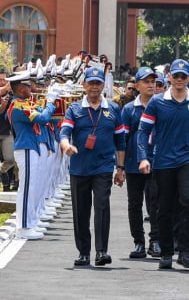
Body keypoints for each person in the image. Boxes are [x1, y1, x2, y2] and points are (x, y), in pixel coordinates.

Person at [137, 59, 189, 270]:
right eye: (175, 76)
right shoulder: (157, 102)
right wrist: (143, 157)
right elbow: (143, 132)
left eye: (183, 76)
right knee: (164, 207)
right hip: (163, 161)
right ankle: (167, 253)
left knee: (188, 201)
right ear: (169, 77)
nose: (179, 80)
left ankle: (185, 251)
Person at [60, 67, 126, 266]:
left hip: (104, 167)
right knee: (81, 210)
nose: (95, 87)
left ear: (103, 85)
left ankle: (101, 251)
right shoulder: (74, 109)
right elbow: (64, 133)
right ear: (84, 85)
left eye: (98, 83)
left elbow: (120, 140)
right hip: (79, 167)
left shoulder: (113, 109)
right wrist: (67, 146)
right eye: (91, 83)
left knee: (102, 206)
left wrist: (120, 168)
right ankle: (83, 252)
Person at [8, 70, 58, 240]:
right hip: (26, 148)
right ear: (21, 88)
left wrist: (49, 102)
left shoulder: (25, 103)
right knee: (28, 189)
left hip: (31, 148)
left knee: (34, 187)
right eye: (28, 85)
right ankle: (23, 227)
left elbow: (42, 111)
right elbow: (43, 118)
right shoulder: (18, 105)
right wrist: (51, 101)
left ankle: (31, 221)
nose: (32, 88)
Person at [121, 66, 160, 259]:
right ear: (137, 85)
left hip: (157, 162)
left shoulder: (162, 105)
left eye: (153, 82)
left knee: (156, 203)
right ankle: (138, 242)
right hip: (134, 162)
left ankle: (156, 241)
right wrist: (120, 166)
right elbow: (123, 139)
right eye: (146, 82)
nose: (151, 85)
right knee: (134, 204)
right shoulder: (129, 109)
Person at [0, 69, 17, 192]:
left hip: (7, 132)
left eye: (4, 80)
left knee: (10, 159)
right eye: (0, 80)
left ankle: (2, 171)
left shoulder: (11, 95)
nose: (3, 82)